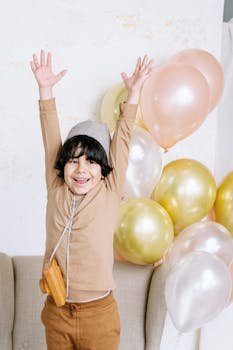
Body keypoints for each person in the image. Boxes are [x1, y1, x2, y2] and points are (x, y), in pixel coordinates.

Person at [30, 49, 154, 350]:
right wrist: (45, 90)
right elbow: (50, 139)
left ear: (103, 169)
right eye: (73, 161)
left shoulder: (110, 189)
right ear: (63, 166)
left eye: (91, 162)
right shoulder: (56, 186)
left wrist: (134, 93)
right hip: (57, 310)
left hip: (99, 315)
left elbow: (123, 137)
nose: (81, 169)